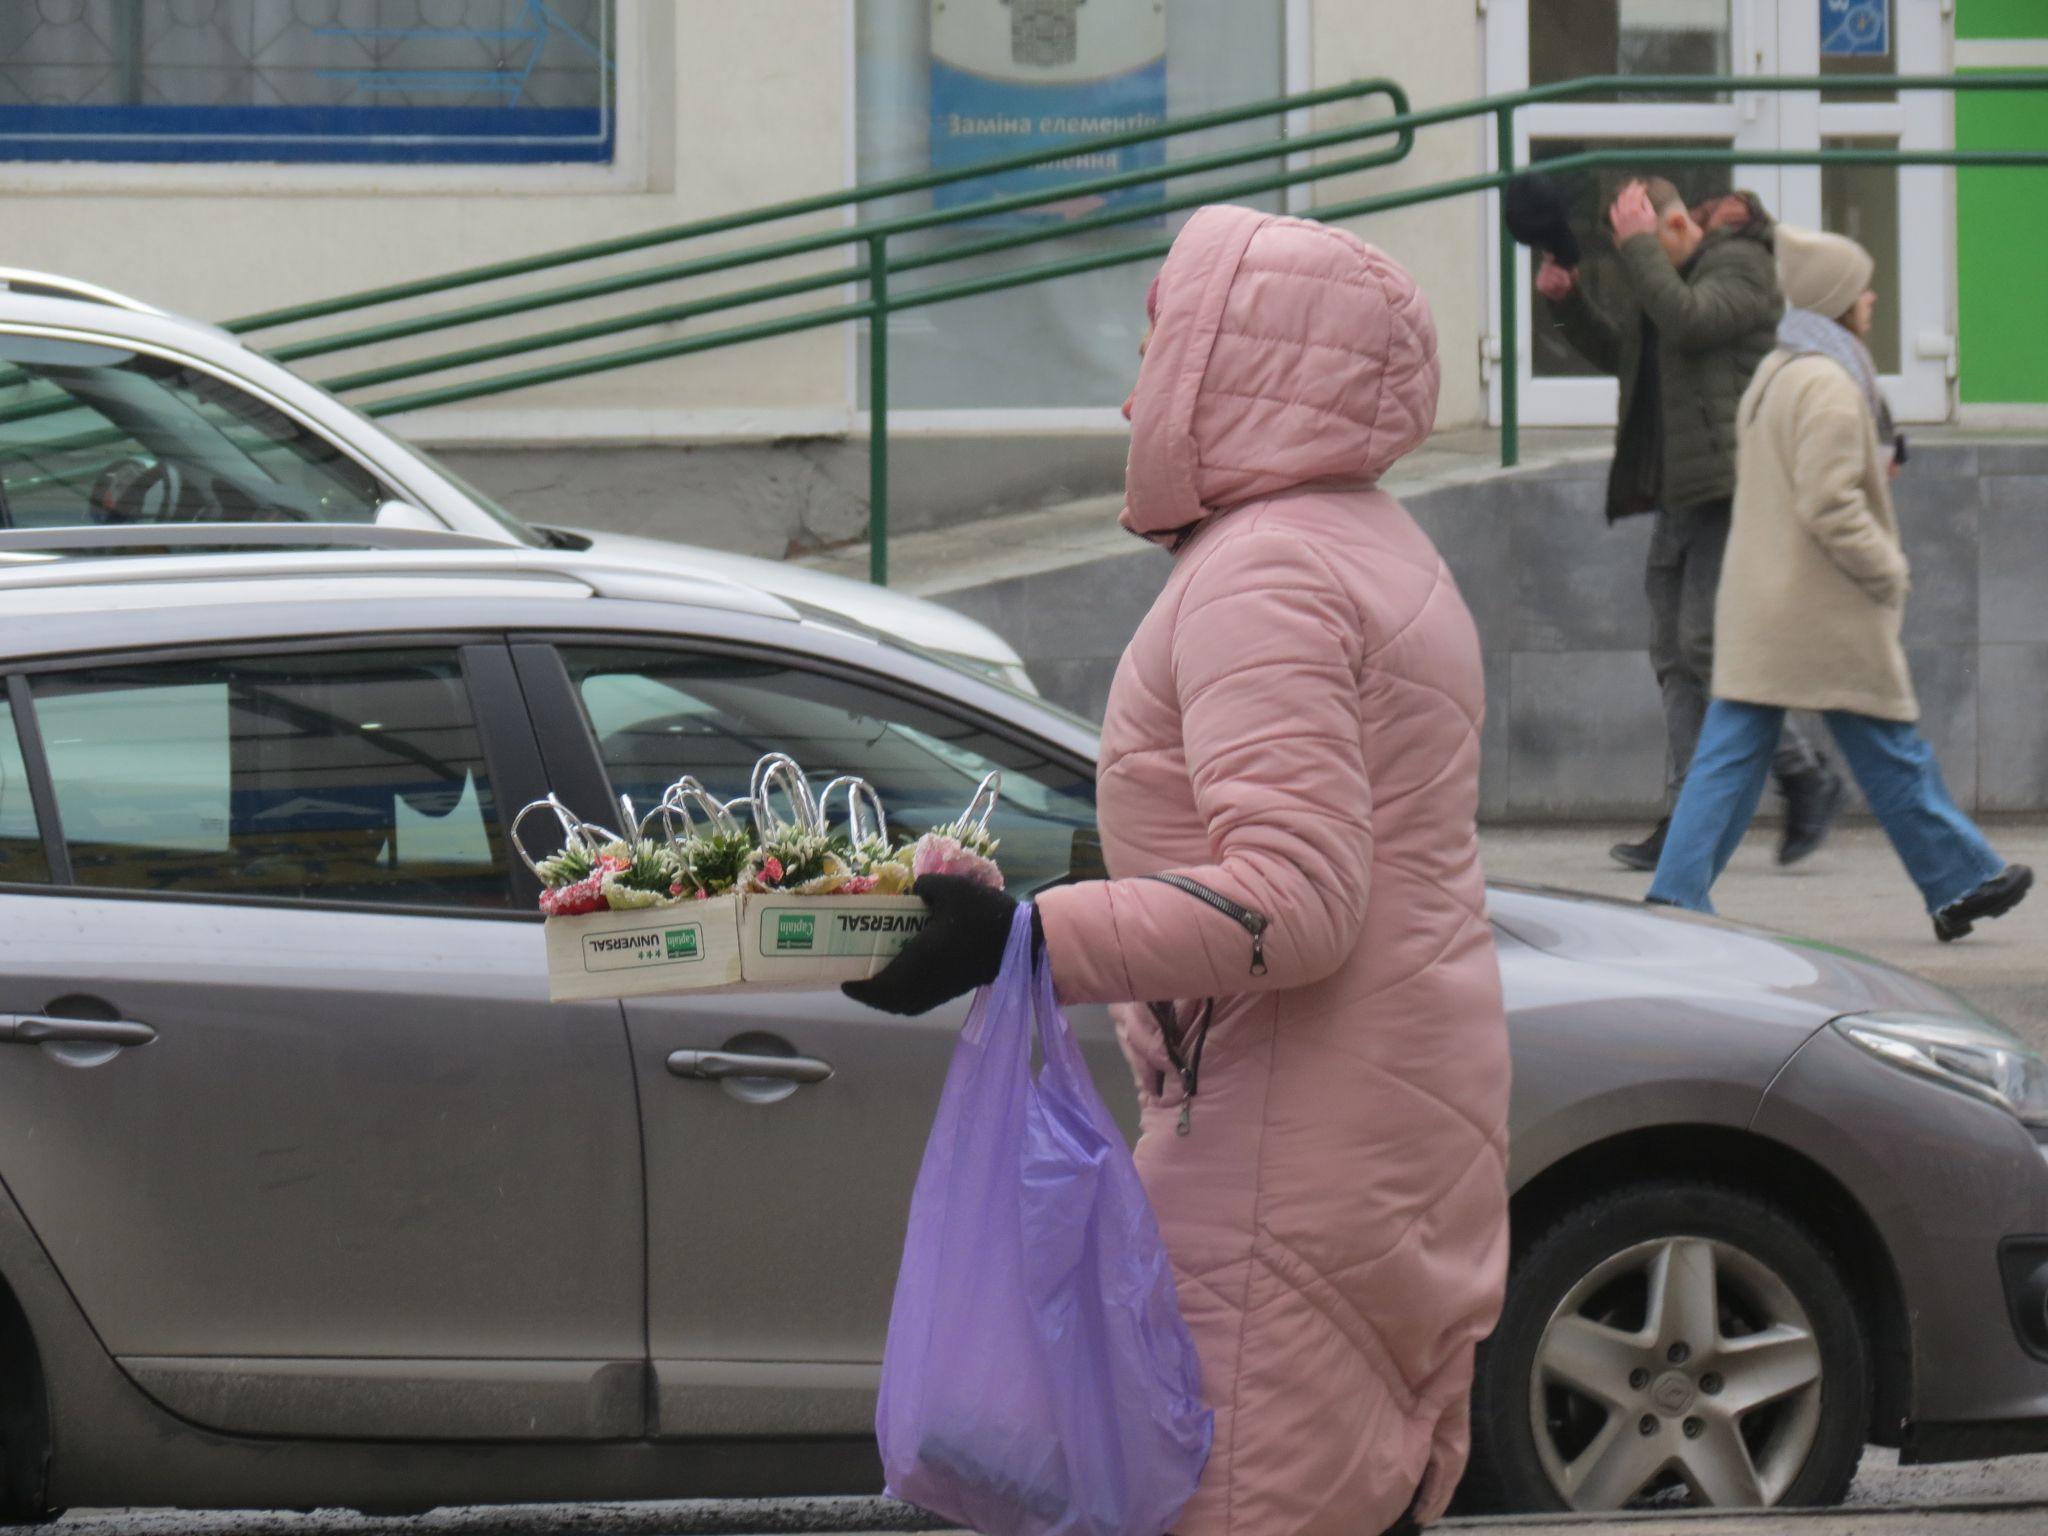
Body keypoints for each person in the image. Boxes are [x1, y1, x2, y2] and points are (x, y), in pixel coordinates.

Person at [845, 205, 1512, 1536]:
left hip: (1288, 1136)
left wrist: (1019, 937)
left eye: (1163, 348)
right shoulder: (1373, 542)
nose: (1134, 389)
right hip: (1394, 1105)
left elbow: (1297, 901)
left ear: (1238, 369)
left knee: (1242, 1501)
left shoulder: (1266, 572)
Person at [1646, 225, 2033, 940]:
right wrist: (1888, 569)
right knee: (1889, 746)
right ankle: (1960, 881)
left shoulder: (1781, 370)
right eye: (1860, 288)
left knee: (1730, 760)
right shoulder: (1827, 382)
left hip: (1765, 606)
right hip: (1818, 610)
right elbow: (1829, 503)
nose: (1871, 298)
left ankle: (1676, 895)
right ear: (1836, 300)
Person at [1538, 177, 1845, 872]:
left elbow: (1691, 321)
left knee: (1706, 646)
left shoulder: (1743, 265)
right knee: (1674, 657)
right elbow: (1629, 351)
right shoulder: (1672, 273)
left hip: (1735, 485)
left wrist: (1641, 248)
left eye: (1637, 240)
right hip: (1682, 488)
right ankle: (1684, 816)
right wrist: (1567, 306)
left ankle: (1804, 774)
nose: (1633, 256)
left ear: (1671, 223)